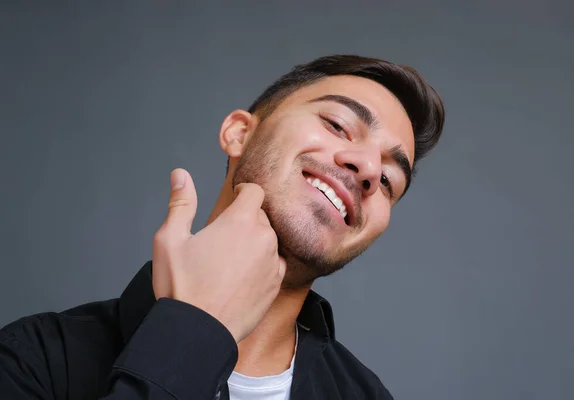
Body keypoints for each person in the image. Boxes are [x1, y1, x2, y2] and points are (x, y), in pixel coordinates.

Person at [0, 54, 445, 399]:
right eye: (337, 124)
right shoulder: (31, 360)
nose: (368, 168)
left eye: (389, 181)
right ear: (239, 133)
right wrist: (197, 331)